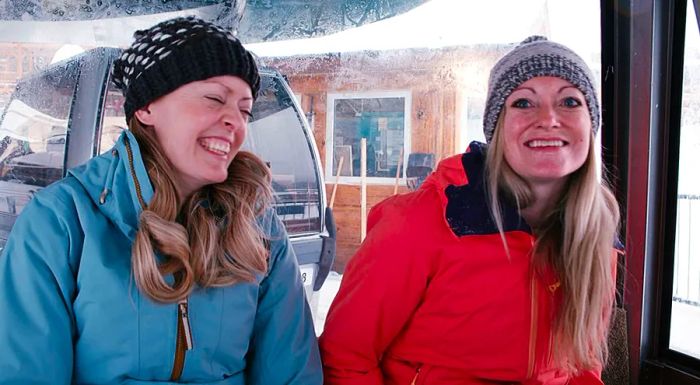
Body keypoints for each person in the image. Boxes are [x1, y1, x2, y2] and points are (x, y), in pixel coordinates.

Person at [0, 16, 322, 384]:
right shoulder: (62, 222)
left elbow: (292, 373)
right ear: (146, 108)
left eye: (245, 110)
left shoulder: (259, 227)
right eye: (214, 98)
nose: (235, 120)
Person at [319, 36, 621, 385]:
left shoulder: (596, 232)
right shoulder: (423, 222)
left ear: (591, 124)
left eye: (570, 101)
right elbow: (344, 357)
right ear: (497, 129)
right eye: (523, 102)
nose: (549, 119)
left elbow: (581, 367)